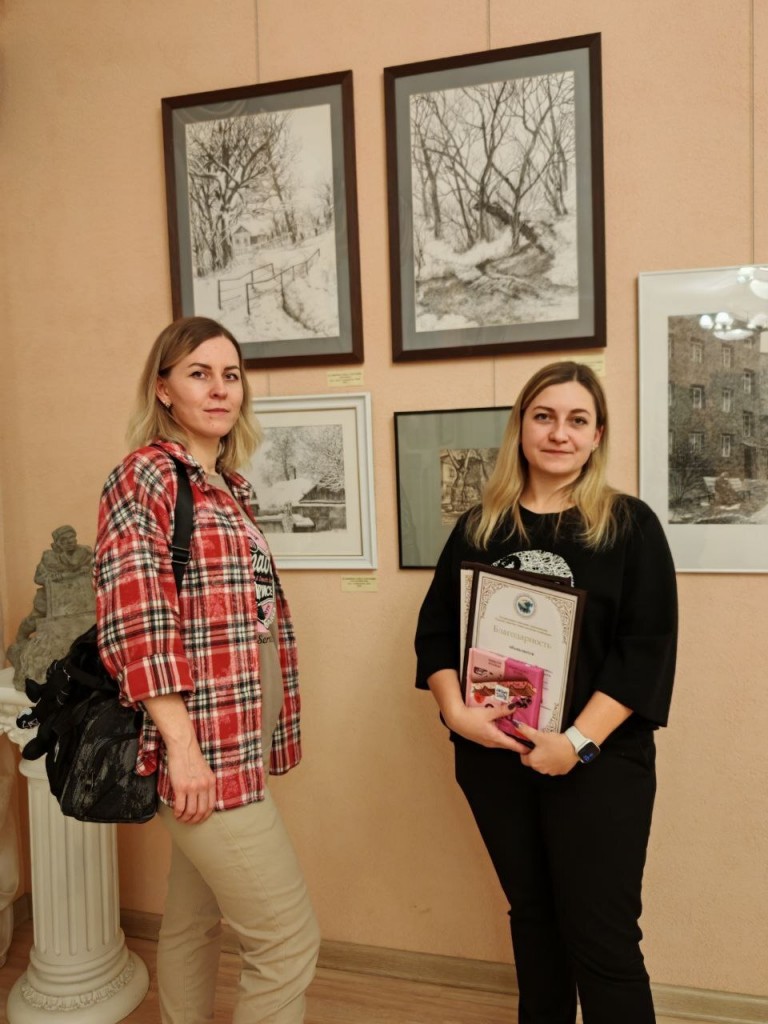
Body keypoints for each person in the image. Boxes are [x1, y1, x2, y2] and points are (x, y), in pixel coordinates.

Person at [415, 361, 677, 1024]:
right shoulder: (480, 525)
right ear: (521, 427)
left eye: (577, 420)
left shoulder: (629, 526)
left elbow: (644, 653)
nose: (560, 433)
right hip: (494, 759)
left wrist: (576, 744)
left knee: (602, 937)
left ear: (597, 435)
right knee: (534, 920)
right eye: (544, 417)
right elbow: (436, 633)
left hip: (597, 764)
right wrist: (457, 714)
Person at [94, 316, 320, 1024]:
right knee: (287, 941)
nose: (220, 389)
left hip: (239, 735)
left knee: (193, 922)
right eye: (199, 374)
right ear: (164, 389)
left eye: (231, 374)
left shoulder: (229, 488)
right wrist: (183, 748)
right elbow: (136, 616)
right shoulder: (146, 475)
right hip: (204, 746)